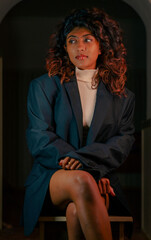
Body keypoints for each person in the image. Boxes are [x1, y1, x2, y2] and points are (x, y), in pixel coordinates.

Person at [23, 7, 135, 240]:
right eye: (72, 40)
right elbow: (39, 138)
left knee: (76, 210)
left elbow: (123, 142)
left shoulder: (123, 97)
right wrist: (90, 168)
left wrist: (91, 166)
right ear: (65, 47)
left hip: (100, 177)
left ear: (101, 46)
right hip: (52, 178)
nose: (79, 47)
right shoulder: (44, 86)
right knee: (84, 180)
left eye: (87, 39)